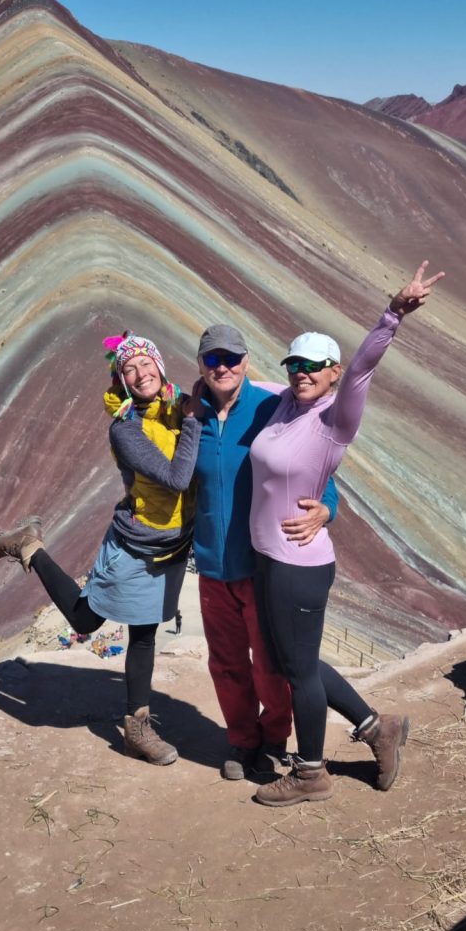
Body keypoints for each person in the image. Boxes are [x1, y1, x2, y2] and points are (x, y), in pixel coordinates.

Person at [248, 262, 445, 805]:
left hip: (299, 564)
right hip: (269, 558)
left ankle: (311, 774)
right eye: (295, 364)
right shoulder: (285, 403)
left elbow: (363, 368)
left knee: (300, 672)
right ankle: (377, 729)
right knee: (297, 663)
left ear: (332, 372)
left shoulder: (336, 417)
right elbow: (240, 383)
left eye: (314, 365)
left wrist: (394, 314)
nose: (302, 372)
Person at [0, 332, 202, 766]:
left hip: (174, 545)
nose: (140, 374)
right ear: (121, 381)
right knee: (86, 619)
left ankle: (137, 730)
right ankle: (30, 545)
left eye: (146, 364)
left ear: (160, 366)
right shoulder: (126, 429)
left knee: (144, 633)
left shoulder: (179, 406)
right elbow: (177, 478)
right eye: (129, 369)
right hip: (135, 543)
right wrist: (196, 420)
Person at [189, 323, 339, 780]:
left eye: (231, 358)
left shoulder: (272, 407)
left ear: (247, 361)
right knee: (226, 662)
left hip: (264, 566)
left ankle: (274, 739)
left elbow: (318, 472)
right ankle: (241, 740)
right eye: (213, 359)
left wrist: (325, 510)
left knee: (271, 664)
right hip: (213, 565)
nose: (223, 367)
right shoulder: (189, 418)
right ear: (201, 365)